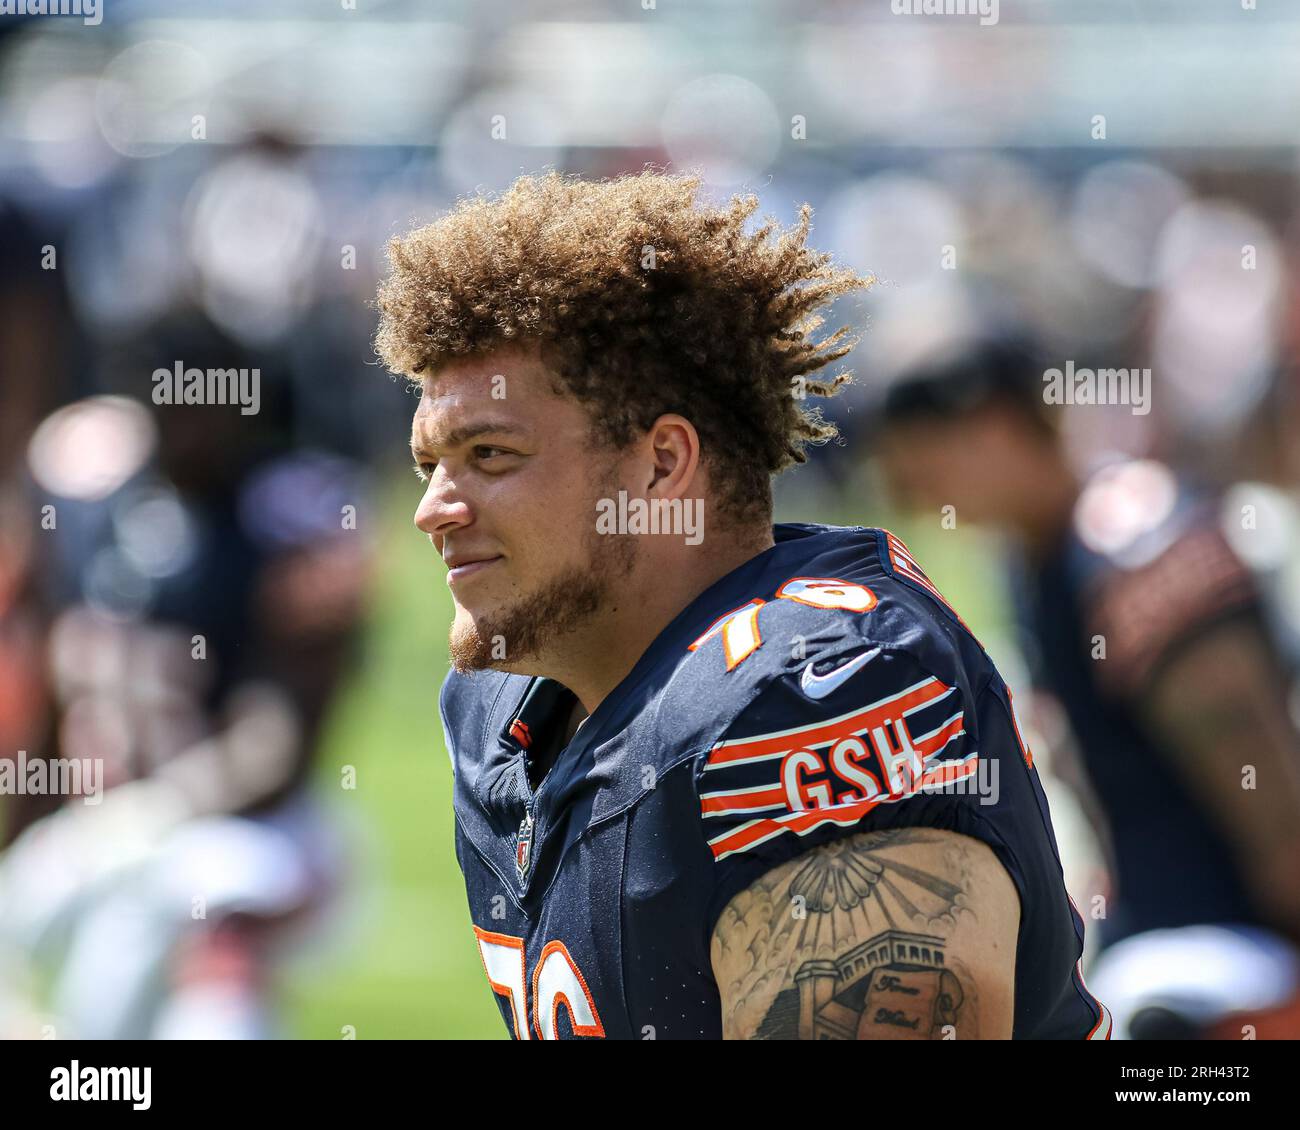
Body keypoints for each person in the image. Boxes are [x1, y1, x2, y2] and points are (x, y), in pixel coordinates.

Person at [374, 172, 1109, 1039]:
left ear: (659, 467)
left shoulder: (816, 692)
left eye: (489, 455)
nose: (434, 510)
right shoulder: (498, 711)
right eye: (431, 466)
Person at [874, 337, 1300, 1038]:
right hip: (1160, 947)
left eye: (919, 464)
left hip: (1233, 968)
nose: (912, 494)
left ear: (992, 426)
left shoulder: (1135, 543)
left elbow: (1273, 807)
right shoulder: (1031, 563)